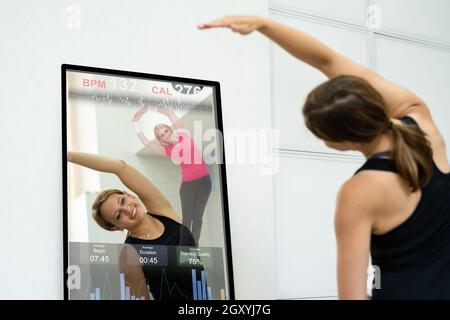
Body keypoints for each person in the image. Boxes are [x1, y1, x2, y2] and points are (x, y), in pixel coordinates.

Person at [198, 16, 450, 299]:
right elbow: (327, 61)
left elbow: (351, 297)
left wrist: (263, 26)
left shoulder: (359, 191)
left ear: (341, 143)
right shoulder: (422, 121)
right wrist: (263, 25)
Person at [68, 151, 199, 300]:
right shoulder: (129, 253)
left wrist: (68, 155)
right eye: (118, 215)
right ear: (115, 227)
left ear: (128, 194)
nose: (127, 209)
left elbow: (120, 167)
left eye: (122, 201)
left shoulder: (162, 210)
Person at [132, 105, 212, 245]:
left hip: (204, 181)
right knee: (187, 219)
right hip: (188, 185)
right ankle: (184, 249)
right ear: (160, 139)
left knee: (198, 218)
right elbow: (145, 142)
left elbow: (169, 113)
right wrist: (135, 122)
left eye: (166, 131)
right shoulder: (166, 150)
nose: (165, 135)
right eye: (161, 135)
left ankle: (194, 248)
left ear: (170, 129)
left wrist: (148, 109)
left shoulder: (183, 134)